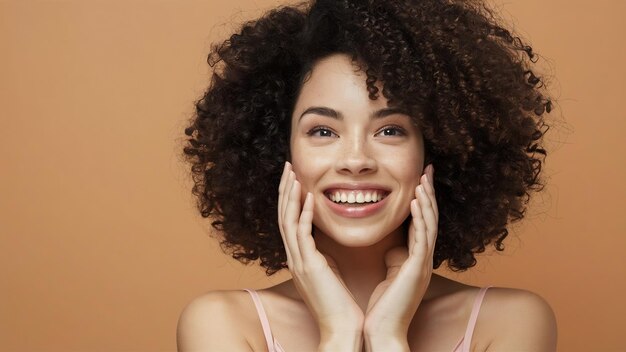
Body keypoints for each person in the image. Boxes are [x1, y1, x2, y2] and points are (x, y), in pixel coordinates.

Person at [177, 0, 558, 350]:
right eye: (323, 131)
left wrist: (388, 336)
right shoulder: (222, 324)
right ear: (279, 150)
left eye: (390, 130)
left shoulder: (510, 322)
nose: (356, 160)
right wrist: (339, 331)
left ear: (436, 149)